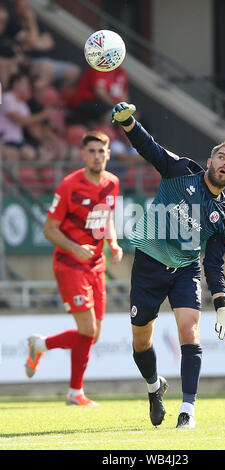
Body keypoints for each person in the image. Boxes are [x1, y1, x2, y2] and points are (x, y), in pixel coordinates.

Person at [111, 102, 225, 428]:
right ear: (210, 160)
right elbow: (150, 149)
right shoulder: (181, 170)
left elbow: (213, 264)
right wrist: (129, 123)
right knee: (141, 341)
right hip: (149, 262)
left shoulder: (224, 216)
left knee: (190, 332)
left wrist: (223, 301)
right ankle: (154, 387)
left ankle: (188, 410)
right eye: (222, 157)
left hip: (186, 270)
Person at [24, 130, 123, 406]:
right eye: (91, 151)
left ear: (108, 154)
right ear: (83, 155)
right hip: (70, 264)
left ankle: (41, 345)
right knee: (88, 330)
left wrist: (113, 243)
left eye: (101, 151)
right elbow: (49, 230)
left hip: (96, 265)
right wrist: (74, 248)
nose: (96, 156)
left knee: (92, 336)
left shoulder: (112, 183)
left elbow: (107, 217)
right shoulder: (69, 185)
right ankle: (74, 392)